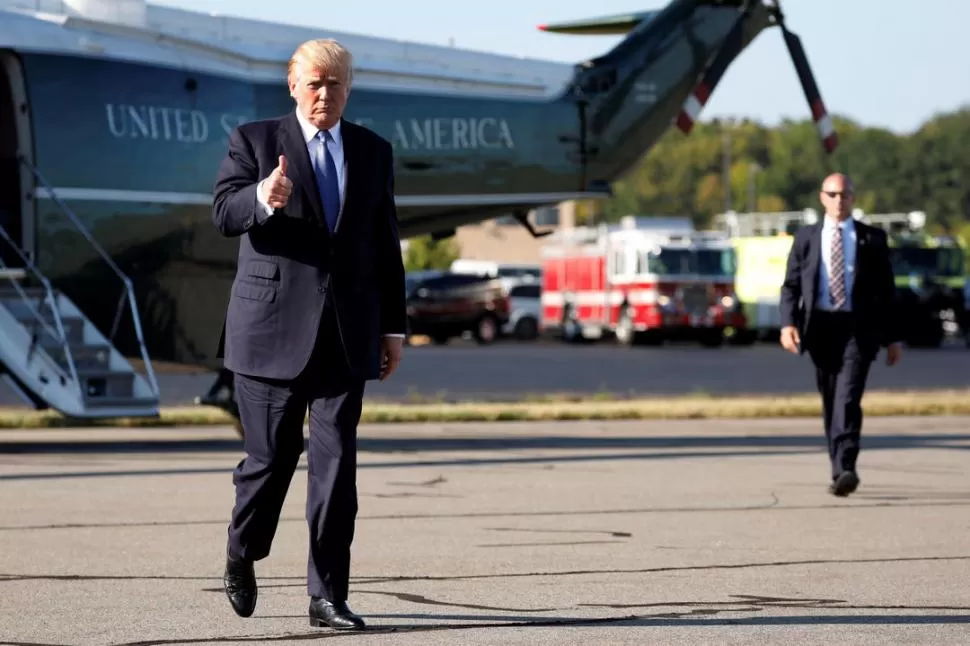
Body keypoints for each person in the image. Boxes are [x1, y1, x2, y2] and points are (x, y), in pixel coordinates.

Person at [211, 38, 406, 630]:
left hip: (346, 335)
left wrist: (393, 326)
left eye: (337, 84)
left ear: (350, 90)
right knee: (270, 460)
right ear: (293, 85)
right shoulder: (255, 140)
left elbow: (383, 244)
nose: (325, 94)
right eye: (315, 82)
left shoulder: (372, 151)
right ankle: (242, 551)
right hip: (269, 332)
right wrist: (262, 200)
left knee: (336, 466)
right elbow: (223, 212)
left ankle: (327, 596)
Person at [779, 173, 902, 497]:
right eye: (832, 195)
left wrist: (892, 338)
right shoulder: (806, 237)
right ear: (822, 197)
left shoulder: (871, 238)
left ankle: (847, 466)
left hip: (857, 329)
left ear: (853, 198)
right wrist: (787, 324)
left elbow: (887, 292)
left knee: (848, 397)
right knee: (832, 399)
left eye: (844, 195)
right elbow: (791, 285)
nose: (838, 201)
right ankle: (839, 470)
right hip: (819, 327)